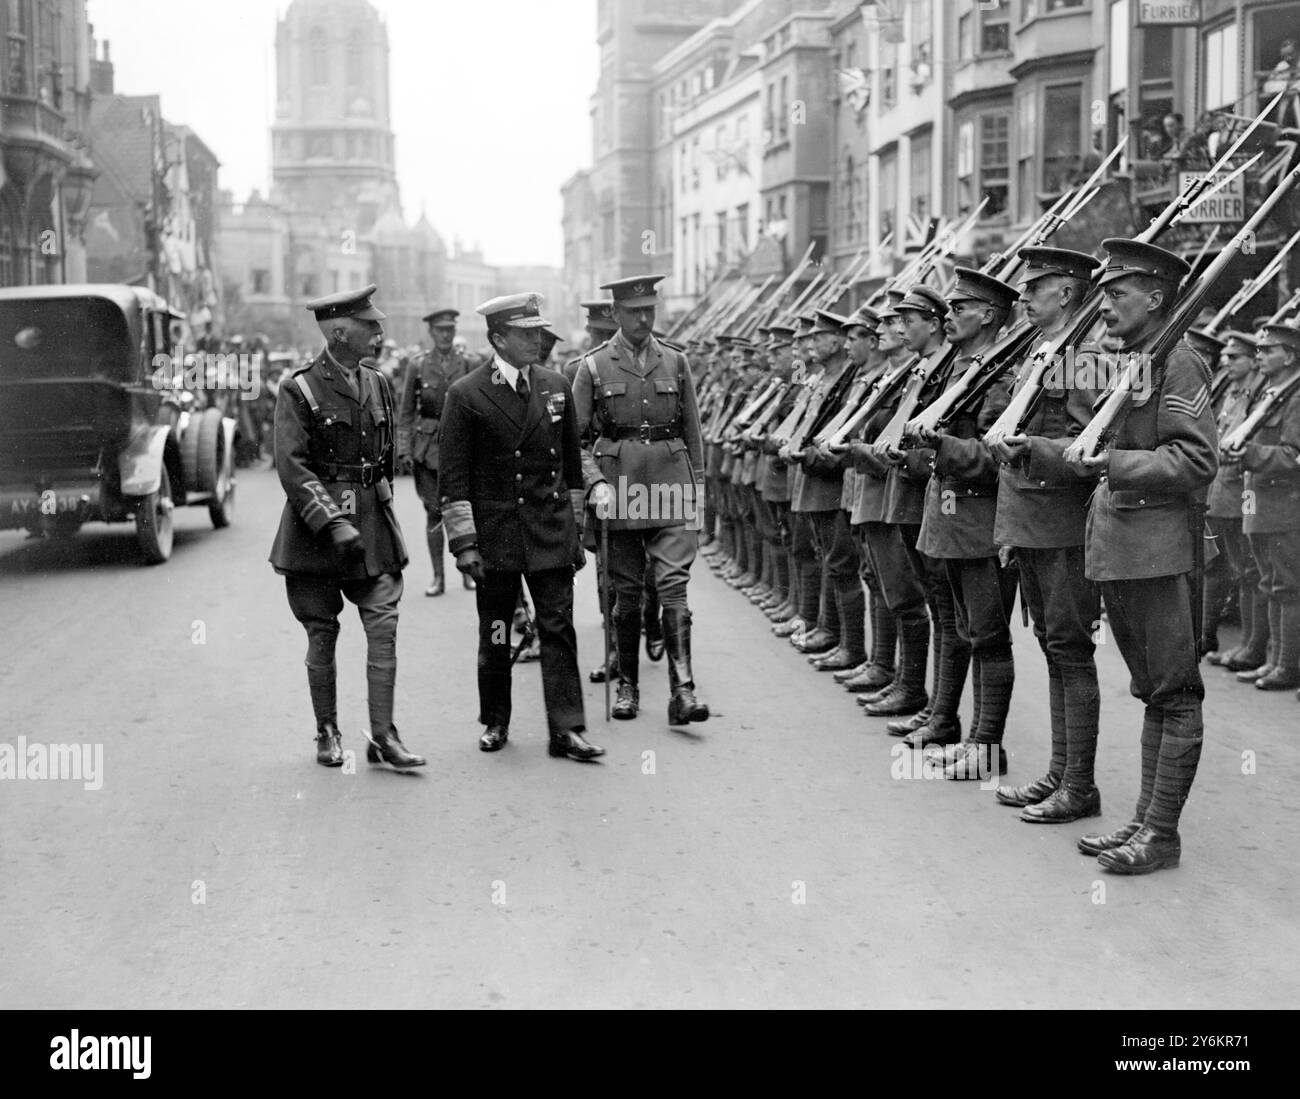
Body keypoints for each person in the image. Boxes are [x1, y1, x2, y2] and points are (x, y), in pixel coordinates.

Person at [1067, 239, 1218, 874]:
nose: (1103, 306)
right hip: (1125, 550)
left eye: (1116, 293)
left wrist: (1115, 465)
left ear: (1156, 298)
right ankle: (1143, 820)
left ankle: (1161, 835)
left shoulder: (1180, 363)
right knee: (1154, 691)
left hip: (1160, 551)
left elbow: (1196, 459)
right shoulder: (1136, 361)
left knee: (1176, 692)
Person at [438, 292, 603, 762]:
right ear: (497, 339)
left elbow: (572, 465)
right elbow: (454, 478)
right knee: (495, 630)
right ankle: (495, 719)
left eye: (537, 331)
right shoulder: (465, 394)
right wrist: (465, 544)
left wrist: (574, 532)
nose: (536, 340)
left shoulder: (555, 385)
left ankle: (566, 729)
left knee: (558, 627)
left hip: (549, 529)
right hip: (496, 534)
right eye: (525, 334)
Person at [269, 284, 426, 770]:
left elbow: (379, 461)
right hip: (315, 536)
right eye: (370, 326)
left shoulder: (377, 383)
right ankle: (327, 731)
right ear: (338, 332)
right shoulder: (299, 389)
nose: (380, 333)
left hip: (372, 532)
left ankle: (383, 736)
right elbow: (293, 467)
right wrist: (331, 521)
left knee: (384, 625)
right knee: (322, 633)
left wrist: (382, 512)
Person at [986, 247, 1106, 819]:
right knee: (1054, 648)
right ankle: (1062, 775)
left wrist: (1033, 448)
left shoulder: (1084, 358)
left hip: (1062, 524)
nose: (1025, 297)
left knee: (1071, 649)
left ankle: (1078, 786)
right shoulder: (1040, 350)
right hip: (1030, 522)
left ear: (1066, 292)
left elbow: (1094, 446)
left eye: (1036, 288)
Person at [573, 274, 709, 725]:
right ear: (615, 314)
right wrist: (594, 484)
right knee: (626, 594)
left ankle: (683, 691)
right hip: (620, 487)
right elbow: (574, 441)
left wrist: (699, 498)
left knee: (673, 586)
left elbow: (692, 433)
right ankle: (628, 686)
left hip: (671, 483)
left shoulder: (677, 361)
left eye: (650, 310)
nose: (644, 319)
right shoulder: (593, 366)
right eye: (634, 312)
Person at [1227, 324, 1300, 692]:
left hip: (1284, 506)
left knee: (1286, 586)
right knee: (1269, 583)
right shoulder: (1270, 395)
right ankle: (1272, 660)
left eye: (1268, 350)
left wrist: (1249, 453)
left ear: (1289, 356)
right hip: (1257, 500)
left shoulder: (1295, 398)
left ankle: (1286, 666)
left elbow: (1294, 455)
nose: (1259, 355)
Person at [397, 307, 474, 596]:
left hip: (461, 447)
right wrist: (404, 450)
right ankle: (438, 576)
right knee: (433, 512)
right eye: (440, 330)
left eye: (450, 330)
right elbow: (405, 412)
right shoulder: (417, 366)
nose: (445, 335)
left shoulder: (468, 363)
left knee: (464, 511)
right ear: (431, 333)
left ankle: (467, 572)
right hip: (427, 450)